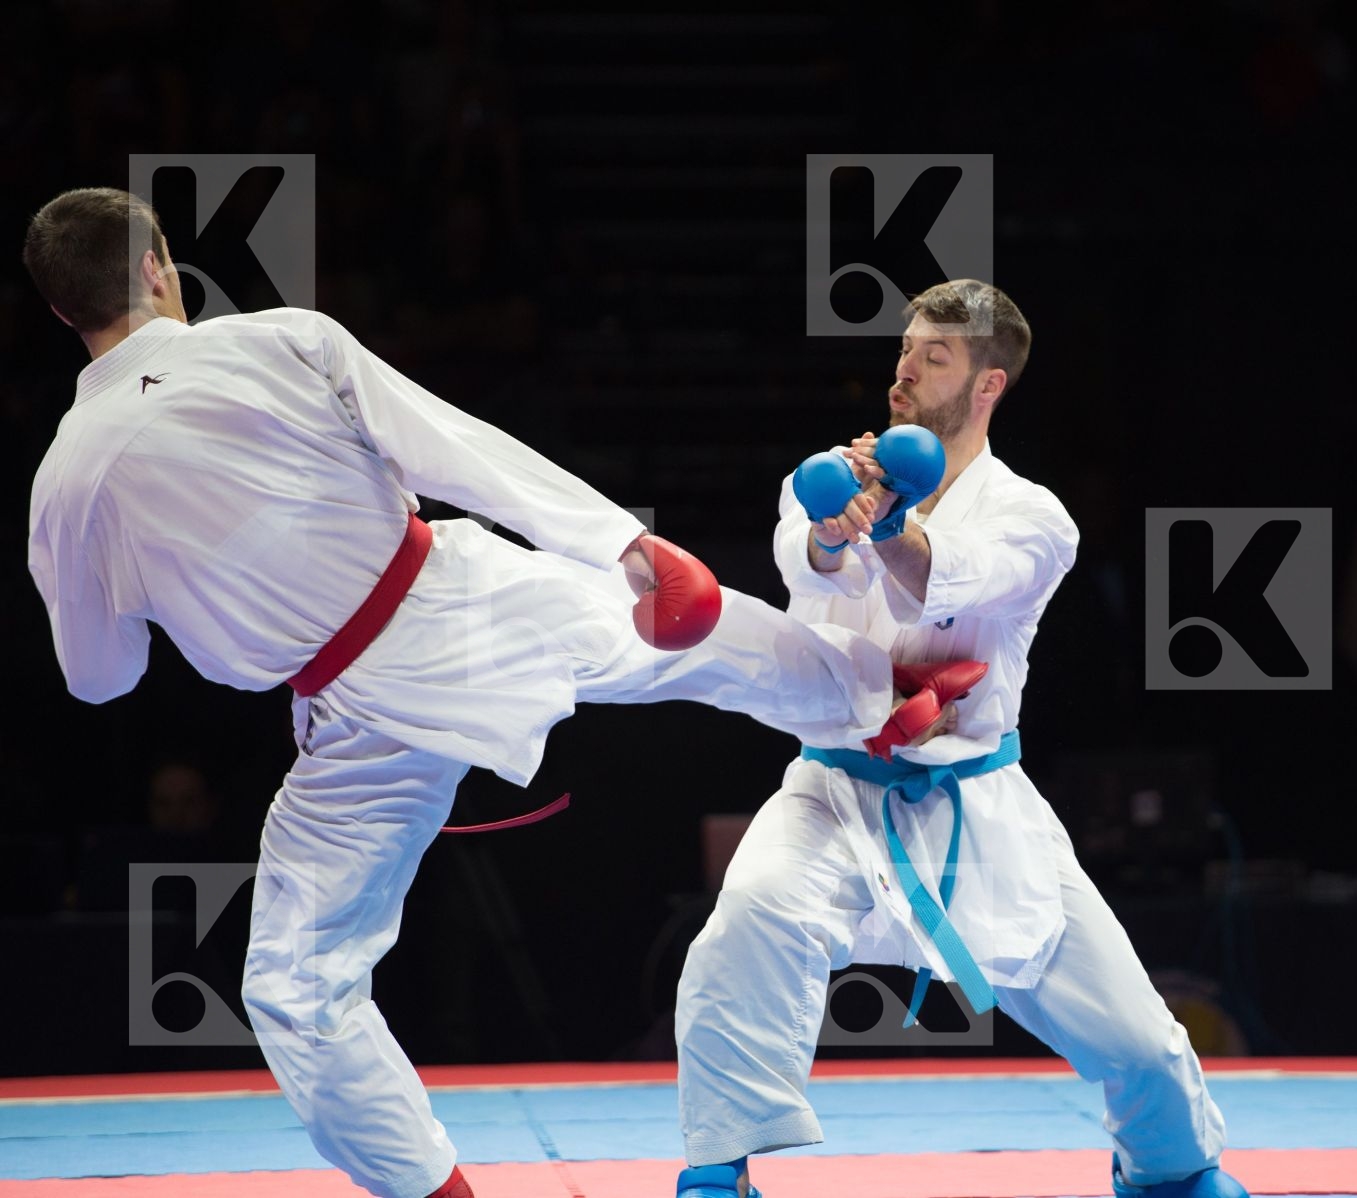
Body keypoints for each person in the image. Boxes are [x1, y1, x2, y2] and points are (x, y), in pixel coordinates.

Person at [21, 187, 964, 1198]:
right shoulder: (279, 341)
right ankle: (895, 698)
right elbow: (452, 447)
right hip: (462, 600)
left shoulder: (67, 483)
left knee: (295, 987)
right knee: (683, 645)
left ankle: (437, 1193)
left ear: (59, 311)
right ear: (161, 265)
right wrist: (625, 541)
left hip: (353, 720)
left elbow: (99, 678)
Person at [674, 280, 1247, 1198]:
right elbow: (804, 565)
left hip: (980, 807)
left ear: (988, 386)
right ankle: (718, 1168)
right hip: (834, 793)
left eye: (933, 357)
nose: (904, 367)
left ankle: (1171, 1173)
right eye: (905, 349)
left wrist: (897, 528)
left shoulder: (1036, 517)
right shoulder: (826, 477)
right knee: (747, 921)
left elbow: (955, 581)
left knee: (1138, 1041)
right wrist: (835, 530)